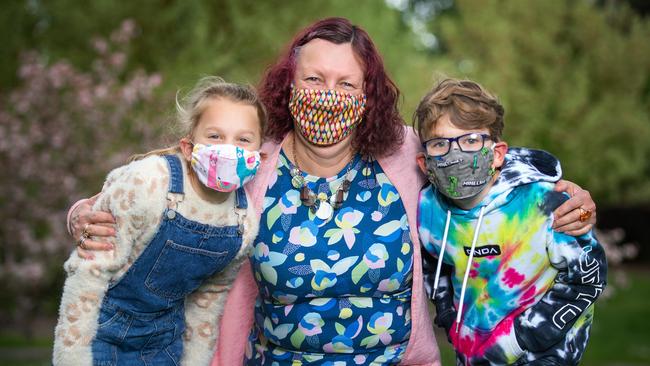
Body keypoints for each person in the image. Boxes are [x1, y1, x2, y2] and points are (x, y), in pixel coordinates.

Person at [66, 18, 597, 366]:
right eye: (315, 79)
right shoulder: (253, 162)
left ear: (368, 96)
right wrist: (85, 211)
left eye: (346, 84)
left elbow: (479, 159)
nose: (329, 95)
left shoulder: (402, 154)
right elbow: (166, 179)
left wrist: (561, 190)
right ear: (288, 86)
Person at [53, 77, 266, 365]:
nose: (229, 150)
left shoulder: (242, 223)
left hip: (166, 344)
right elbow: (88, 273)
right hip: (100, 336)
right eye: (215, 136)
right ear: (189, 147)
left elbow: (207, 303)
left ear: (258, 154)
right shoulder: (149, 183)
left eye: (243, 140)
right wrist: (72, 358)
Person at [415, 79, 606, 365]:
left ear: (497, 154)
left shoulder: (544, 203)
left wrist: (521, 338)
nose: (456, 154)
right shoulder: (429, 209)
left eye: (470, 140)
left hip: (543, 356)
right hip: (470, 355)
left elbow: (588, 279)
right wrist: (446, 313)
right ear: (424, 163)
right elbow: (433, 263)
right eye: (441, 143)